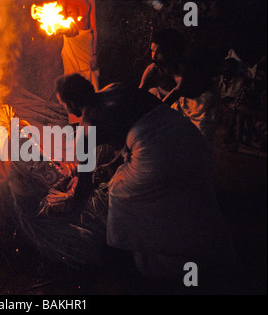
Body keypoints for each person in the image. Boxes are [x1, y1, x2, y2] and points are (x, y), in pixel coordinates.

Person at [54, 73, 235, 280]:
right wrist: (114, 164)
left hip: (159, 155)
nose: (65, 109)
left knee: (120, 193)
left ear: (72, 103)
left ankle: (140, 258)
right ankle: (208, 250)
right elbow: (141, 119)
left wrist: (67, 209)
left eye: (63, 105)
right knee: (188, 194)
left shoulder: (86, 128)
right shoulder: (117, 86)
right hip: (189, 137)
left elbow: (85, 186)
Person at [58, 0, 99, 124]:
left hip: (86, 42)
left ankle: (94, 121)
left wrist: (95, 54)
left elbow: (94, 30)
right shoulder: (63, 1)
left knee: (92, 80)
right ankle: (76, 124)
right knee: (72, 83)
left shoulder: (90, 1)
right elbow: (59, 25)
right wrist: (66, 30)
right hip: (71, 43)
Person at [139, 28, 185, 105]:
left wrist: (159, 108)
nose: (154, 56)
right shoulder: (152, 69)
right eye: (153, 51)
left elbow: (177, 91)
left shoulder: (179, 69)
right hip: (162, 99)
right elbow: (140, 90)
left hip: (177, 101)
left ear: (170, 53)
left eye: (159, 52)